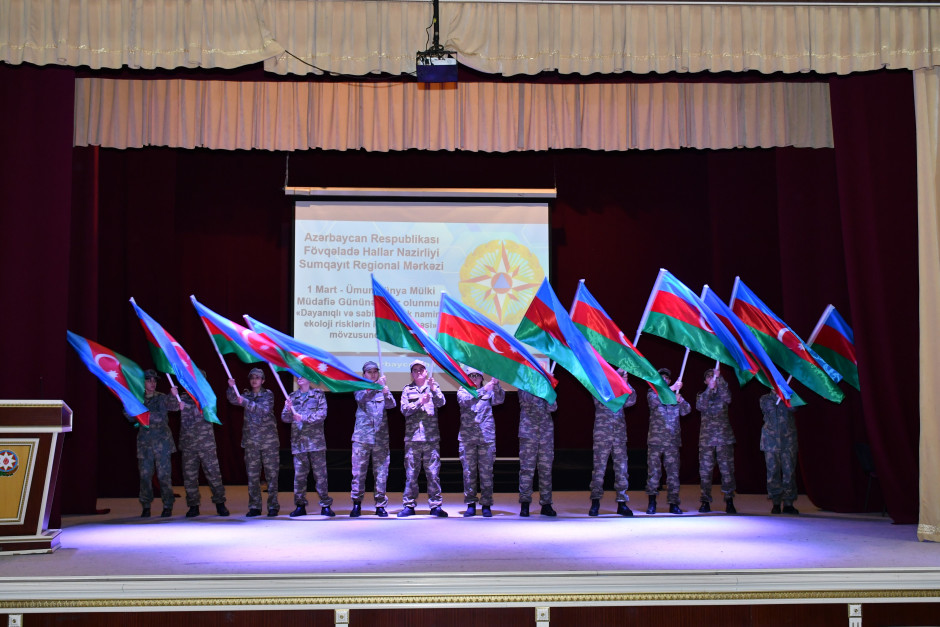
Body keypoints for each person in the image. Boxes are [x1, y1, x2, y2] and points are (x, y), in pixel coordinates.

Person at [227, 368, 280, 517]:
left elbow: (264, 410)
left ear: (263, 380)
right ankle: (255, 506)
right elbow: (233, 399)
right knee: (252, 476)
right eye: (252, 378)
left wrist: (245, 402)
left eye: (257, 378)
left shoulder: (268, 394)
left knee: (272, 476)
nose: (254, 380)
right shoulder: (245, 395)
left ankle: (273, 506)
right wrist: (231, 388)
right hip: (251, 442)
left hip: (269, 442)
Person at [398, 360, 448, 517]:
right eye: (415, 370)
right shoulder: (407, 390)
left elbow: (442, 402)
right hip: (412, 438)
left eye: (421, 369)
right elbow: (404, 410)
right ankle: (409, 505)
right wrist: (420, 402)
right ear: (411, 374)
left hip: (430, 438)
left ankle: (435, 505)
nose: (419, 372)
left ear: (426, 372)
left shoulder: (433, 386)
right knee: (411, 474)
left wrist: (433, 389)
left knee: (433, 473)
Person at [282, 376, 335, 517]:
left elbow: (322, 414)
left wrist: (303, 418)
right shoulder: (292, 396)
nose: (299, 378)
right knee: (299, 476)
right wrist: (287, 409)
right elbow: (285, 418)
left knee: (320, 476)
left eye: (302, 375)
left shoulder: (318, 394)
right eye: (297, 376)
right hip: (299, 443)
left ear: (309, 378)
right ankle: (300, 505)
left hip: (316, 443)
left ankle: (325, 505)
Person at [130, 369, 179, 518]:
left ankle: (168, 505)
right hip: (145, 444)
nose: (152, 383)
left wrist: (173, 395)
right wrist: (132, 408)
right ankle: (146, 505)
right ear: (143, 382)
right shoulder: (137, 398)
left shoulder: (162, 398)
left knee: (164, 476)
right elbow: (129, 416)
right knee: (145, 476)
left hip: (162, 443)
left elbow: (169, 411)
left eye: (154, 380)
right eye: (149, 380)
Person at [457, 367, 505, 517]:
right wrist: (484, 389)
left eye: (476, 375)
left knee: (486, 473)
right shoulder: (462, 390)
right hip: (467, 439)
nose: (473, 378)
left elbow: (500, 399)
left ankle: (486, 504)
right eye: (470, 376)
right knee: (469, 473)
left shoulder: (489, 391)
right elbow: (465, 401)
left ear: (481, 378)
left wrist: (496, 385)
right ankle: (470, 504)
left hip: (486, 438)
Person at [350, 361, 395, 518]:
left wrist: (386, 392)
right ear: (364, 374)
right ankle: (357, 503)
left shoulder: (382, 388)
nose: (373, 374)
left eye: (375, 371)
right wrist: (375, 387)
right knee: (358, 473)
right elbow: (361, 398)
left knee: (381, 473)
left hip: (380, 438)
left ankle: (380, 504)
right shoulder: (359, 387)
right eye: (369, 372)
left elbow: (391, 405)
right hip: (362, 438)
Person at [589, 369, 637, 517]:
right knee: (599, 470)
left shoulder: (622, 389)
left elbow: (631, 400)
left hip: (619, 435)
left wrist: (626, 384)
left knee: (622, 470)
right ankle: (595, 502)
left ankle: (622, 503)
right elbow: (600, 397)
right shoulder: (600, 388)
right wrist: (616, 379)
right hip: (602, 435)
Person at [645, 367, 691, 515]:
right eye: (661, 378)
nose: (664, 380)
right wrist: (671, 389)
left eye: (667, 378)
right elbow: (655, 400)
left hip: (672, 442)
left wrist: (680, 400)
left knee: (673, 474)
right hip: (656, 442)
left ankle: (673, 503)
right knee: (654, 473)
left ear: (670, 380)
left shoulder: (675, 395)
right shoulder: (652, 393)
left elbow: (687, 411)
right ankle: (652, 502)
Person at [179, 387, 229, 517]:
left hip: (206, 444)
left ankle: (220, 504)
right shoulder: (182, 398)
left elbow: (211, 408)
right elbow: (169, 405)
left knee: (214, 475)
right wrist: (173, 396)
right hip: (188, 445)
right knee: (189, 477)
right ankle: (193, 506)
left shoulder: (207, 397)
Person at [696, 368, 736, 514]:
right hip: (706, 440)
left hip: (724, 438)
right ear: (705, 381)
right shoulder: (701, 394)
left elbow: (728, 398)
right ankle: (705, 501)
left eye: (713, 376)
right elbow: (700, 406)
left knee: (727, 471)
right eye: (709, 377)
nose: (712, 378)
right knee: (705, 472)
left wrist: (720, 379)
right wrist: (709, 389)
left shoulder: (723, 392)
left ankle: (729, 500)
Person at [517, 388, 557, 517]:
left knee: (546, 469)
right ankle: (525, 503)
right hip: (528, 432)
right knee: (526, 469)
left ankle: (546, 504)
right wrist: (541, 391)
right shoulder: (524, 386)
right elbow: (527, 400)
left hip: (546, 433)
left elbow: (553, 407)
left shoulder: (547, 387)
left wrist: (549, 392)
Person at [760, 391, 800, 514]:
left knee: (789, 473)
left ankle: (788, 503)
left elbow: (794, 408)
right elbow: (766, 409)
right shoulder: (765, 398)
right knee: (773, 473)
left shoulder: (790, 396)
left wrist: (784, 397)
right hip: (770, 442)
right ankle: (776, 502)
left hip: (788, 441)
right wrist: (776, 397)